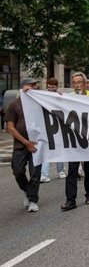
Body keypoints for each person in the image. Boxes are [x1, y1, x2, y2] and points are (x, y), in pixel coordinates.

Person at [61, 72, 89, 211]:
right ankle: (70, 200)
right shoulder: (68, 97)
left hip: (88, 138)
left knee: (88, 168)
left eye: (79, 82)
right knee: (72, 170)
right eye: (74, 82)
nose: (77, 85)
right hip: (73, 139)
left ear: (85, 83)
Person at [6, 78, 42, 212]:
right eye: (31, 85)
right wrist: (25, 142)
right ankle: (26, 190)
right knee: (18, 171)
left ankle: (32, 200)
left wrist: (59, 95)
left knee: (35, 174)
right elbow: (10, 127)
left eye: (36, 86)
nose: (34, 87)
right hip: (20, 145)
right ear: (22, 88)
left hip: (37, 145)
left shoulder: (39, 103)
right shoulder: (14, 105)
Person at [41, 78, 66, 181]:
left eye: (53, 87)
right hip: (46, 125)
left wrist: (61, 96)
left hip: (58, 125)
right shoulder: (43, 95)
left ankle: (61, 171)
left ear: (57, 86)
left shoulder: (60, 95)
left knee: (59, 149)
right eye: (49, 87)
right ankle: (44, 174)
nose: (51, 89)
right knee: (47, 149)